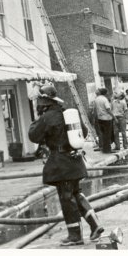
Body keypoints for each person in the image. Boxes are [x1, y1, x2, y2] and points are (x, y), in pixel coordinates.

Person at [28, 84, 105, 246]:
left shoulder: (47, 117)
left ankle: (75, 235)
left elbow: (34, 136)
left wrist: (37, 120)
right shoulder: (68, 113)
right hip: (74, 160)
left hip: (61, 163)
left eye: (38, 101)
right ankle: (95, 224)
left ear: (43, 101)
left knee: (66, 198)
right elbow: (83, 132)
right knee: (76, 193)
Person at [93, 88, 114, 154]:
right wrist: (114, 117)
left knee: (103, 134)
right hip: (107, 118)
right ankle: (108, 149)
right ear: (105, 93)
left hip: (100, 119)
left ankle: (104, 149)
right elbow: (108, 109)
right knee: (107, 134)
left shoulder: (96, 99)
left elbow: (95, 109)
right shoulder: (105, 99)